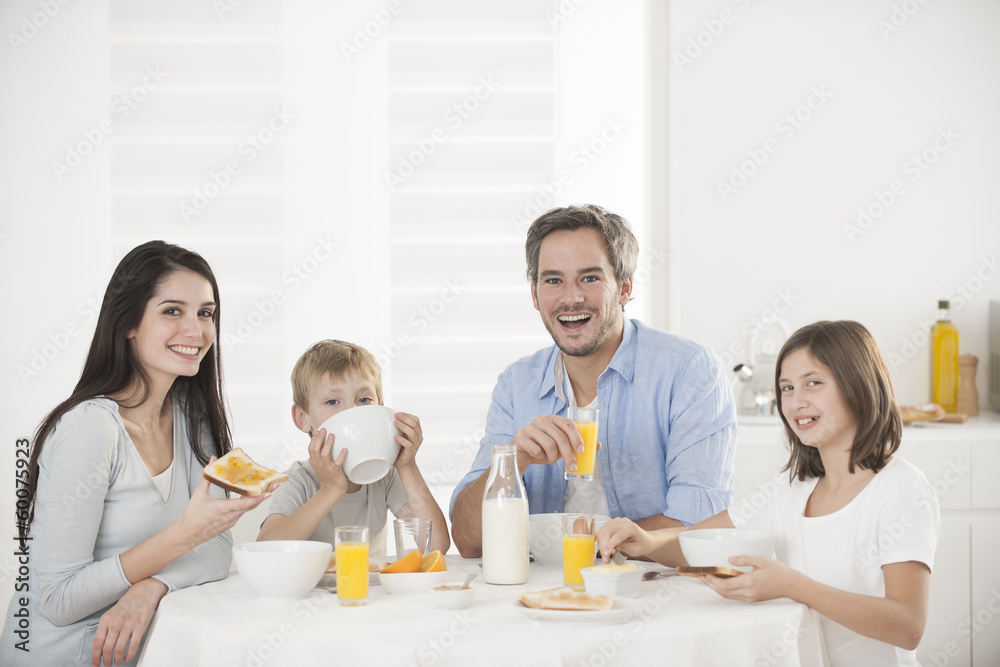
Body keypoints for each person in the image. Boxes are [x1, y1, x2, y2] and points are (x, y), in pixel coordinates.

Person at [597, 320, 940, 666]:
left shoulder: (901, 488)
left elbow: (907, 626)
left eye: (813, 383)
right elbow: (708, 537)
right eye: (787, 388)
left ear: (859, 385)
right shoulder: (792, 488)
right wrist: (648, 541)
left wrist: (793, 585)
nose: (796, 401)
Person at [1, 241, 279, 667]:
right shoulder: (89, 429)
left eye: (205, 313)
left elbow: (218, 549)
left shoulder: (190, 416)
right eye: (173, 311)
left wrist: (152, 585)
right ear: (128, 322)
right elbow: (59, 599)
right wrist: (185, 535)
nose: (196, 331)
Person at [450, 204, 737, 556]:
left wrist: (591, 547)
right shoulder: (516, 384)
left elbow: (703, 527)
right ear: (535, 294)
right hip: (544, 586)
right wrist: (513, 461)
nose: (571, 298)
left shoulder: (688, 370)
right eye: (553, 280)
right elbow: (468, 540)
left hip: (650, 584)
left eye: (589, 278)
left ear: (624, 288)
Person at [257, 340, 449, 556]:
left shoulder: (385, 476)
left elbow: (436, 546)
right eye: (332, 402)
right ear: (303, 418)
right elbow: (266, 550)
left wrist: (407, 466)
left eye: (364, 399)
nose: (352, 411)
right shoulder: (298, 481)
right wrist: (330, 489)